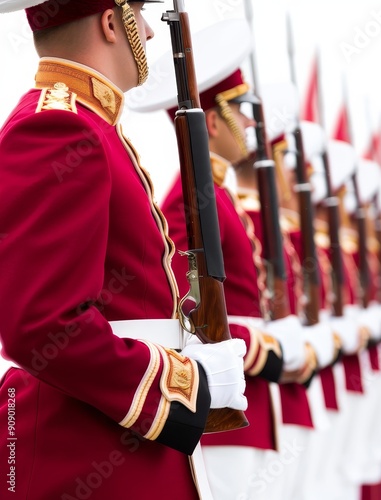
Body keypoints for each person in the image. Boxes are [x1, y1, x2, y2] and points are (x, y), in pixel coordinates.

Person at [0, 2, 247, 499]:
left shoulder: (92, 126)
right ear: (113, 23)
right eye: (139, 12)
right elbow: (41, 325)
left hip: (118, 445)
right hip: (84, 454)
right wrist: (186, 383)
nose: (153, 34)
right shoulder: (61, 127)